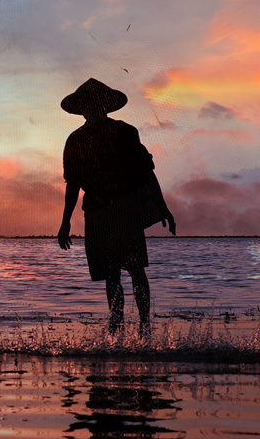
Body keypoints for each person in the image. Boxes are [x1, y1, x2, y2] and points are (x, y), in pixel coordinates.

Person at [56, 78, 176, 330]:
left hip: (120, 210)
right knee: (116, 273)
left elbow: (145, 171)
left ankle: (142, 324)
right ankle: (122, 323)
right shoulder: (78, 140)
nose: (93, 108)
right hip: (101, 212)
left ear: (103, 106)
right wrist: (65, 222)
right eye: (90, 104)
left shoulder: (122, 132)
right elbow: (73, 184)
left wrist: (162, 206)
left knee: (131, 270)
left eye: (95, 103)